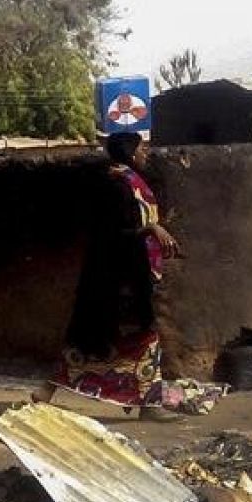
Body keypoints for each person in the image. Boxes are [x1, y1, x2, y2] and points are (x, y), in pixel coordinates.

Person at [55, 131, 181, 407]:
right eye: (141, 148)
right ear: (130, 152)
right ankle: (149, 404)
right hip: (117, 276)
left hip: (128, 272)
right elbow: (112, 232)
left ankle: (48, 390)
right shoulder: (116, 185)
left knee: (93, 337)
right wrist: (150, 228)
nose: (145, 153)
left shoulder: (127, 181)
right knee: (139, 336)